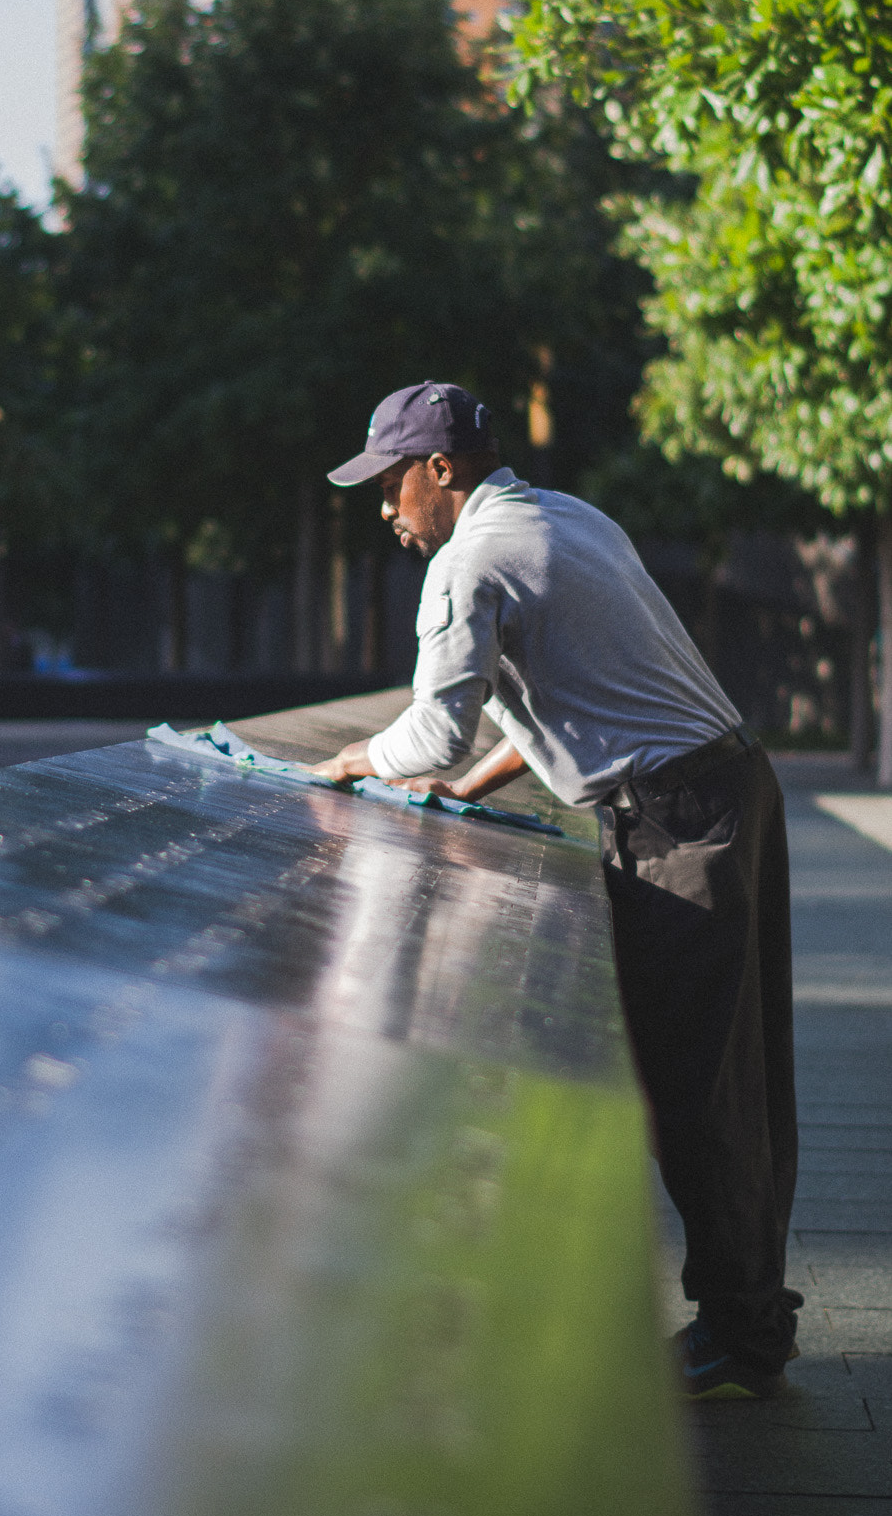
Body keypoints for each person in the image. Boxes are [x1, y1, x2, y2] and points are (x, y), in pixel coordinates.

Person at [312, 380, 802, 1400]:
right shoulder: (563, 517)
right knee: (747, 1072)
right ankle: (751, 1317)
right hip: (735, 785)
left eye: (391, 483)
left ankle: (740, 1335)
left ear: (437, 470)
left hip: (677, 821)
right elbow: (564, 699)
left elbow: (432, 727)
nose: (385, 509)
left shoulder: (467, 560)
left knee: (695, 1085)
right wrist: (467, 781)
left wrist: (358, 757)